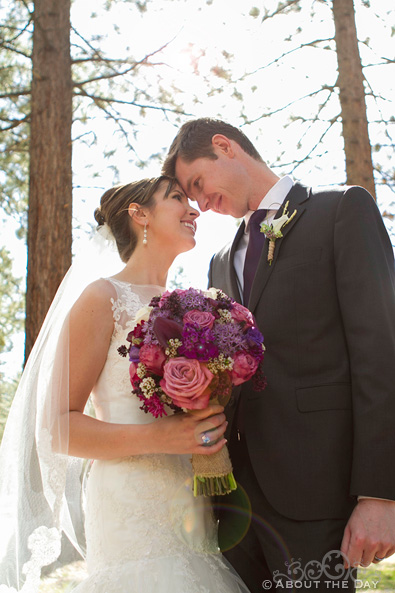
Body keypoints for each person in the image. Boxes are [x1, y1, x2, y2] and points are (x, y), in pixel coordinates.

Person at [162, 118, 395, 592]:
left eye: (199, 185)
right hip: (235, 504)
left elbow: (381, 352)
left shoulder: (340, 211)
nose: (202, 206)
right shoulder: (219, 261)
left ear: (224, 146)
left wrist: (381, 495)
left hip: (317, 495)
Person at [0, 176, 251, 593]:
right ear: (139, 215)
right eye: (176, 199)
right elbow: (57, 428)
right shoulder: (103, 297)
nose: (193, 211)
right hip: (130, 502)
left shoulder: (194, 310)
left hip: (192, 498)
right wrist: (161, 437)